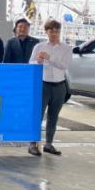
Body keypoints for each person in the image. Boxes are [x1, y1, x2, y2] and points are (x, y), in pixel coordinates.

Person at [28, 19, 73, 157]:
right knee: (38, 115)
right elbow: (30, 63)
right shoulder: (39, 46)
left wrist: (49, 58)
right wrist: (38, 61)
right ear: (46, 32)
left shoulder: (66, 48)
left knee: (53, 116)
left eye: (57, 31)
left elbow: (64, 65)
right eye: (51, 31)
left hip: (60, 85)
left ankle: (48, 144)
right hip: (43, 84)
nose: (54, 34)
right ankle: (32, 144)